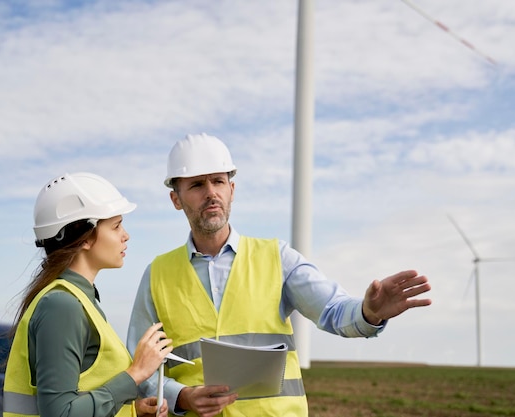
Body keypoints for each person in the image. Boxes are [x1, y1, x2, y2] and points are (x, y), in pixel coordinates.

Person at [127, 134, 432, 417]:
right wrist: (182, 395)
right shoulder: (157, 275)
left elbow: (334, 311)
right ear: (176, 199)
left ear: (231, 190)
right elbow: (141, 367)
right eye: (196, 185)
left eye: (218, 181)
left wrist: (369, 313)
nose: (211, 193)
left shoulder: (278, 258)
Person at [4, 172, 173, 417]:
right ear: (84, 238)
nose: (126, 235)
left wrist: (131, 410)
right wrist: (135, 373)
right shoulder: (62, 306)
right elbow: (61, 414)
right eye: (116, 226)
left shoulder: (79, 300)